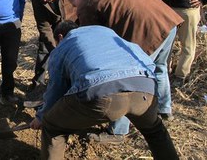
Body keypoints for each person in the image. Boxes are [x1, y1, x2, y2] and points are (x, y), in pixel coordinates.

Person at [30, 21, 179, 160]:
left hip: (101, 91)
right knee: (155, 131)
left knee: (53, 126)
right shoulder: (104, 32)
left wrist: (42, 117)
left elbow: (56, 89)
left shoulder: (63, 46)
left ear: (60, 37)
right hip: (145, 85)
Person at [66, 0, 183, 141]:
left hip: (147, 32)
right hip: (166, 20)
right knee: (160, 68)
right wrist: (144, 2)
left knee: (126, 77)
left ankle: (118, 131)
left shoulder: (87, 3)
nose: (76, 9)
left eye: (74, 5)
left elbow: (91, 39)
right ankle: (164, 110)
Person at [30, 0, 85, 91]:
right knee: (45, 49)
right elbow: (43, 26)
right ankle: (38, 85)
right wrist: (55, 49)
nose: (44, 0)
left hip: (74, 22)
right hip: (53, 26)